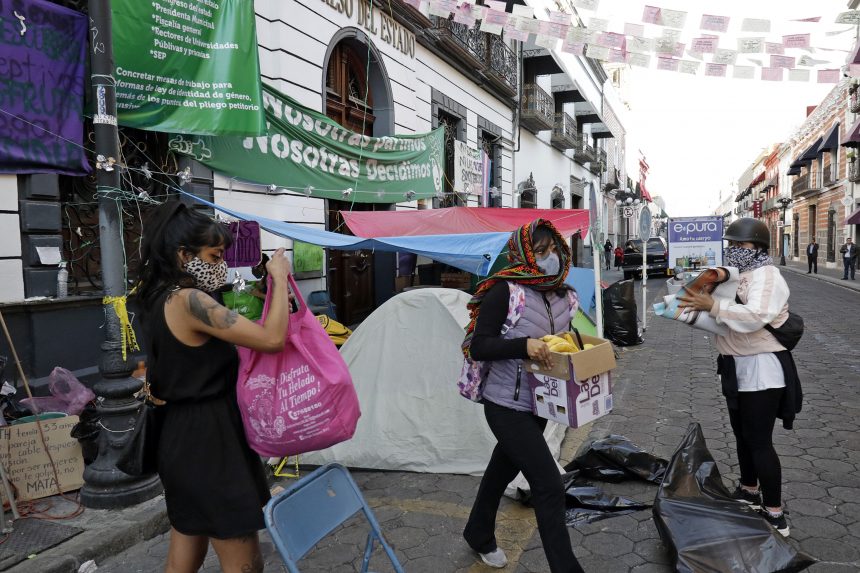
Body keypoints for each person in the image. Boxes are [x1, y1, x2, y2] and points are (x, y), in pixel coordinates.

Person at [136, 201, 292, 573]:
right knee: (243, 556)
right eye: (214, 255)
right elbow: (271, 339)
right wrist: (280, 276)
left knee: (188, 539)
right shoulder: (189, 300)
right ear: (183, 255)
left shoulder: (156, 296)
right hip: (209, 442)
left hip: (182, 435)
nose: (221, 264)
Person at [461, 220, 585, 572]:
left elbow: (565, 341)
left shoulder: (565, 295)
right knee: (548, 485)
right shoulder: (506, 291)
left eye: (553, 251)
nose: (549, 259)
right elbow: (479, 346)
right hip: (504, 405)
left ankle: (478, 532)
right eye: (540, 252)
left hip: (540, 403)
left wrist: (588, 356)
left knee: (501, 470)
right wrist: (524, 346)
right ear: (525, 255)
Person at [677, 218, 801, 538]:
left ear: (757, 247)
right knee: (742, 435)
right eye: (731, 245)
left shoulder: (768, 276)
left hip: (762, 366)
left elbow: (756, 316)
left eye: (741, 245)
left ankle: (774, 512)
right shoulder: (738, 274)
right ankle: (749, 491)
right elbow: (720, 298)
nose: (734, 251)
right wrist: (702, 294)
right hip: (734, 364)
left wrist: (713, 306)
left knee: (759, 441)